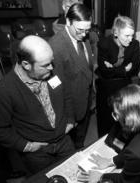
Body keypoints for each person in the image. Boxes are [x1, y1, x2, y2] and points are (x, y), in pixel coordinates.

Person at [0, 35, 75, 174]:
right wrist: (27, 146)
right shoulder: (5, 89)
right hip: (38, 152)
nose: (51, 68)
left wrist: (70, 120)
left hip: (64, 141)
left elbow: (67, 95)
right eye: (45, 65)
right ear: (26, 64)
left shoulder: (53, 72)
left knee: (73, 174)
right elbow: (0, 129)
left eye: (51, 62)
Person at [49, 3, 94, 149]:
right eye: (80, 30)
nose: (84, 34)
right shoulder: (56, 46)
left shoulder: (84, 38)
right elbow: (56, 85)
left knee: (80, 140)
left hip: (85, 100)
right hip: (70, 107)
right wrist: (68, 117)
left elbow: (87, 69)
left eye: (87, 30)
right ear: (68, 22)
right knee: (71, 145)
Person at [95, 15, 140, 137]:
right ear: (116, 33)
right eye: (127, 35)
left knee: (123, 118)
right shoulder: (104, 43)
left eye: (132, 35)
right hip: (106, 88)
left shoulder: (135, 44)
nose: (130, 39)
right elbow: (104, 71)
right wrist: (124, 69)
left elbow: (135, 68)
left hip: (124, 86)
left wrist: (114, 69)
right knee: (105, 118)